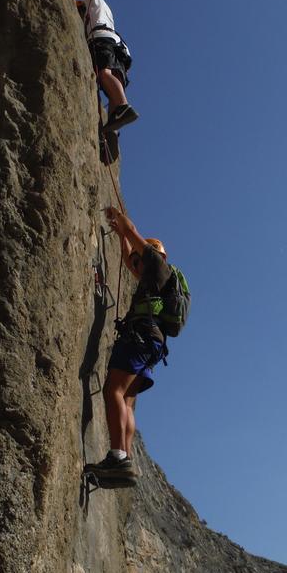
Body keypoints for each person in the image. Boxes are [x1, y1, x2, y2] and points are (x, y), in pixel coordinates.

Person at [84, 206, 171, 483]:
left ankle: (118, 457)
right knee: (128, 402)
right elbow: (126, 256)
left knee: (113, 391)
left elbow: (134, 235)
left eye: (139, 259)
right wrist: (121, 237)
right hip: (152, 345)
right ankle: (127, 459)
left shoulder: (157, 264)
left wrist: (120, 220)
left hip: (141, 338)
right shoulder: (154, 280)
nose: (135, 263)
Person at [72, 0, 138, 133]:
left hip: (103, 38)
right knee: (113, 85)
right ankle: (112, 129)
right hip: (119, 47)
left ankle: (123, 106)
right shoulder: (104, 14)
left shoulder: (94, 0)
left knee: (104, 73)